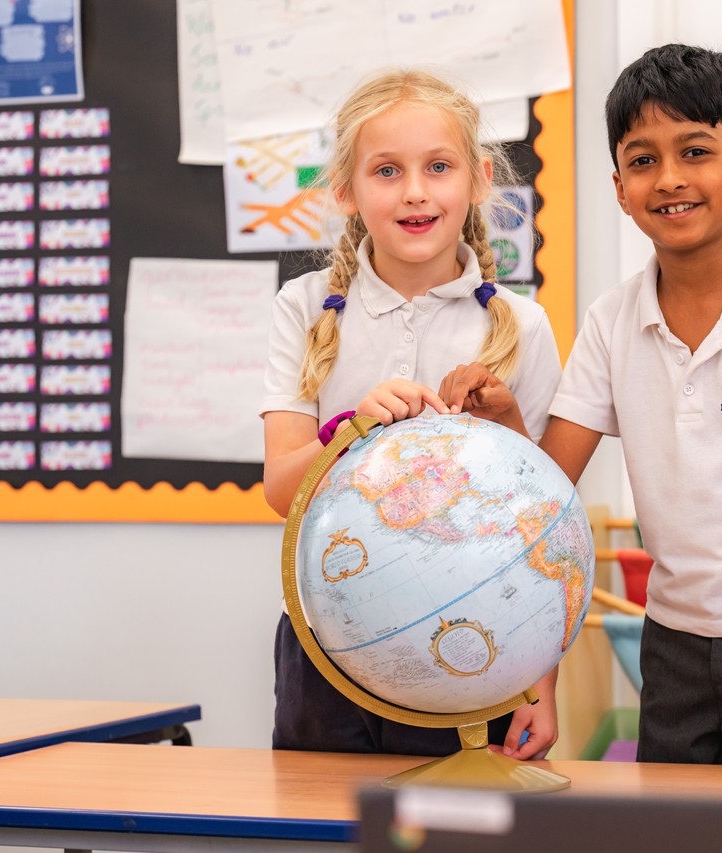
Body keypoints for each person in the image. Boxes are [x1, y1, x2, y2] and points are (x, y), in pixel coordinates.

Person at [441, 43, 722, 784]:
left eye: (696, 151)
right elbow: (549, 496)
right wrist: (512, 417)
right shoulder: (613, 322)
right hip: (672, 645)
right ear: (619, 187)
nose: (670, 178)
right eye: (643, 160)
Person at [259, 69, 563, 760]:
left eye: (439, 166)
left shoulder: (523, 325)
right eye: (387, 170)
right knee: (322, 829)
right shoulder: (303, 309)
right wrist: (353, 432)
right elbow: (282, 488)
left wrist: (540, 684)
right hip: (327, 647)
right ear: (346, 191)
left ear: (479, 179)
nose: (416, 191)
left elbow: (543, 530)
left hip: (478, 649)